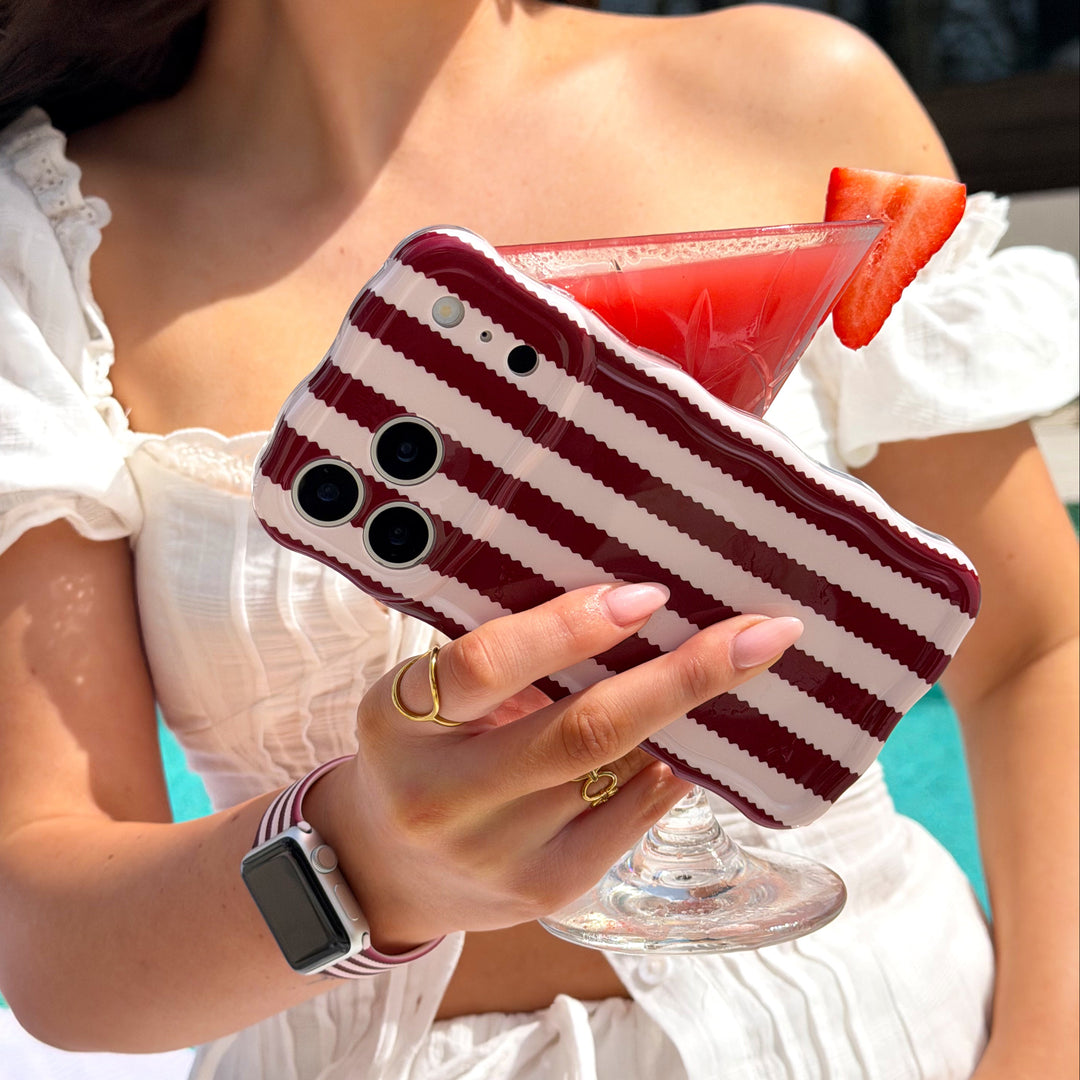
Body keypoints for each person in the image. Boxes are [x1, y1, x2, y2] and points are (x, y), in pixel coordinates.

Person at [0, 2, 1076, 1077]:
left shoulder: (797, 92)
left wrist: (1047, 1048)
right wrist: (365, 860)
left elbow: (1034, 648)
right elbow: (55, 952)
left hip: (894, 1026)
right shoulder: (41, 230)